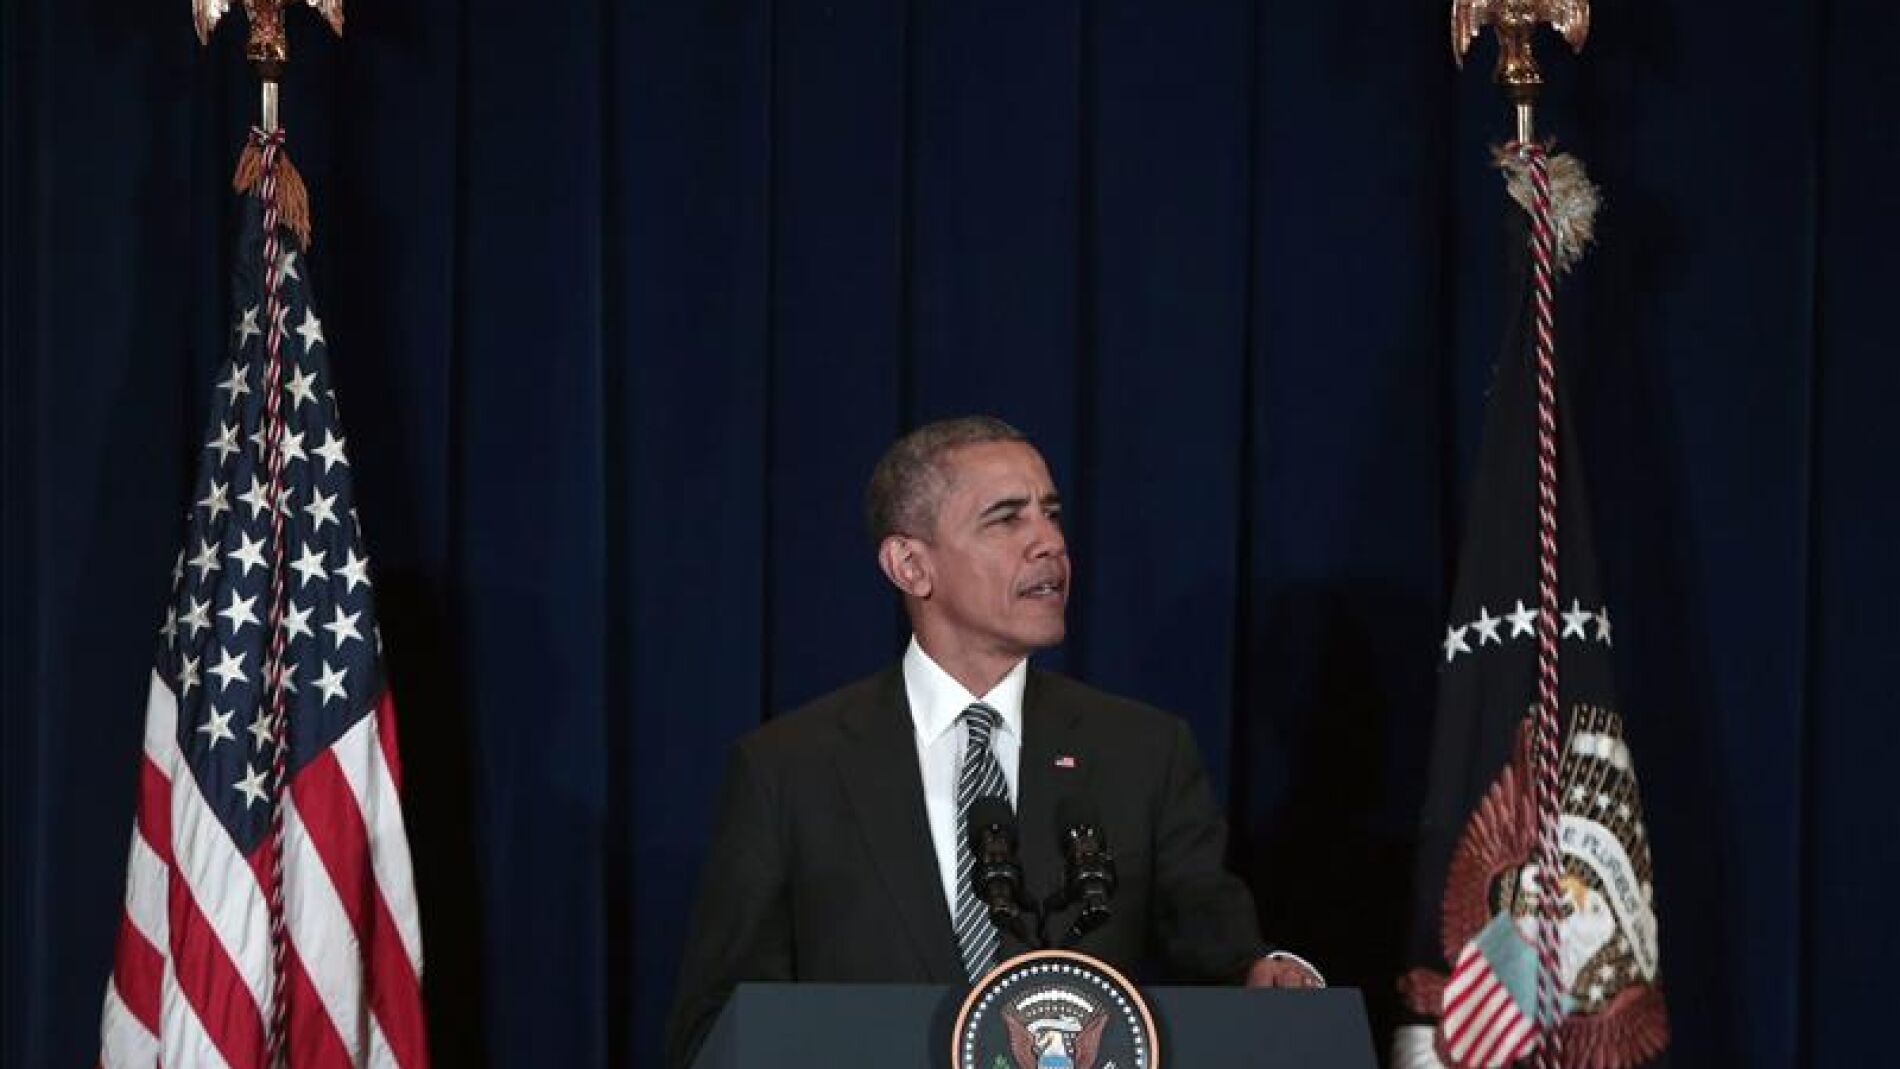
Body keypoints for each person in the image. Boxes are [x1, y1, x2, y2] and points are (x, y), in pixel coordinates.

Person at [664, 416, 1320, 1068]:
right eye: (1006, 519)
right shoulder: (789, 769)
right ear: (910, 564)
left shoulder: (1143, 751)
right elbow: (717, 1026)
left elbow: (1225, 956)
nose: (1049, 543)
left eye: (1051, 513)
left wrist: (1269, 972)